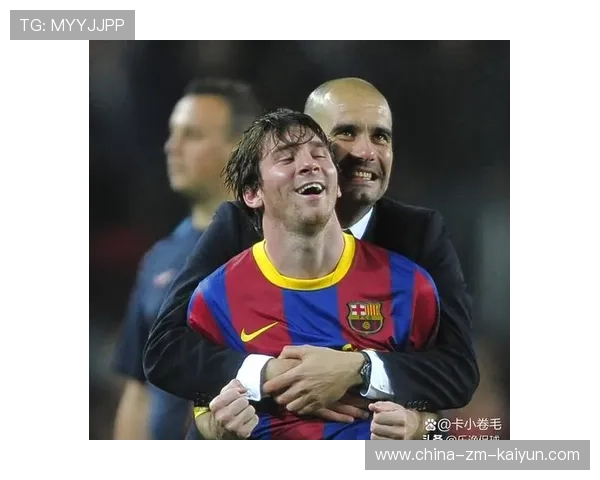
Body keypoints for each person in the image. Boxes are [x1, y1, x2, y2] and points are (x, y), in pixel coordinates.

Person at [143, 77, 479, 420]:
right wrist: (275, 376)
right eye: (346, 133)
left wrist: (358, 370)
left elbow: (457, 372)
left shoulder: (417, 234)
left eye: (381, 136)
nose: (367, 152)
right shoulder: (240, 224)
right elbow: (166, 350)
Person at [186, 108, 440, 439]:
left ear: (337, 185)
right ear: (253, 193)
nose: (310, 164)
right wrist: (220, 431)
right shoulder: (215, 299)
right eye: (286, 158)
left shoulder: (410, 286)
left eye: (320, 155)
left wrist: (417, 428)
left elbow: (439, 417)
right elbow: (204, 415)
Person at [111, 78, 261, 439]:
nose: (171, 146)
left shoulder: (280, 248)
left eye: (191, 135)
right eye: (172, 133)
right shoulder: (160, 258)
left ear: (240, 147)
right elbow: (138, 390)